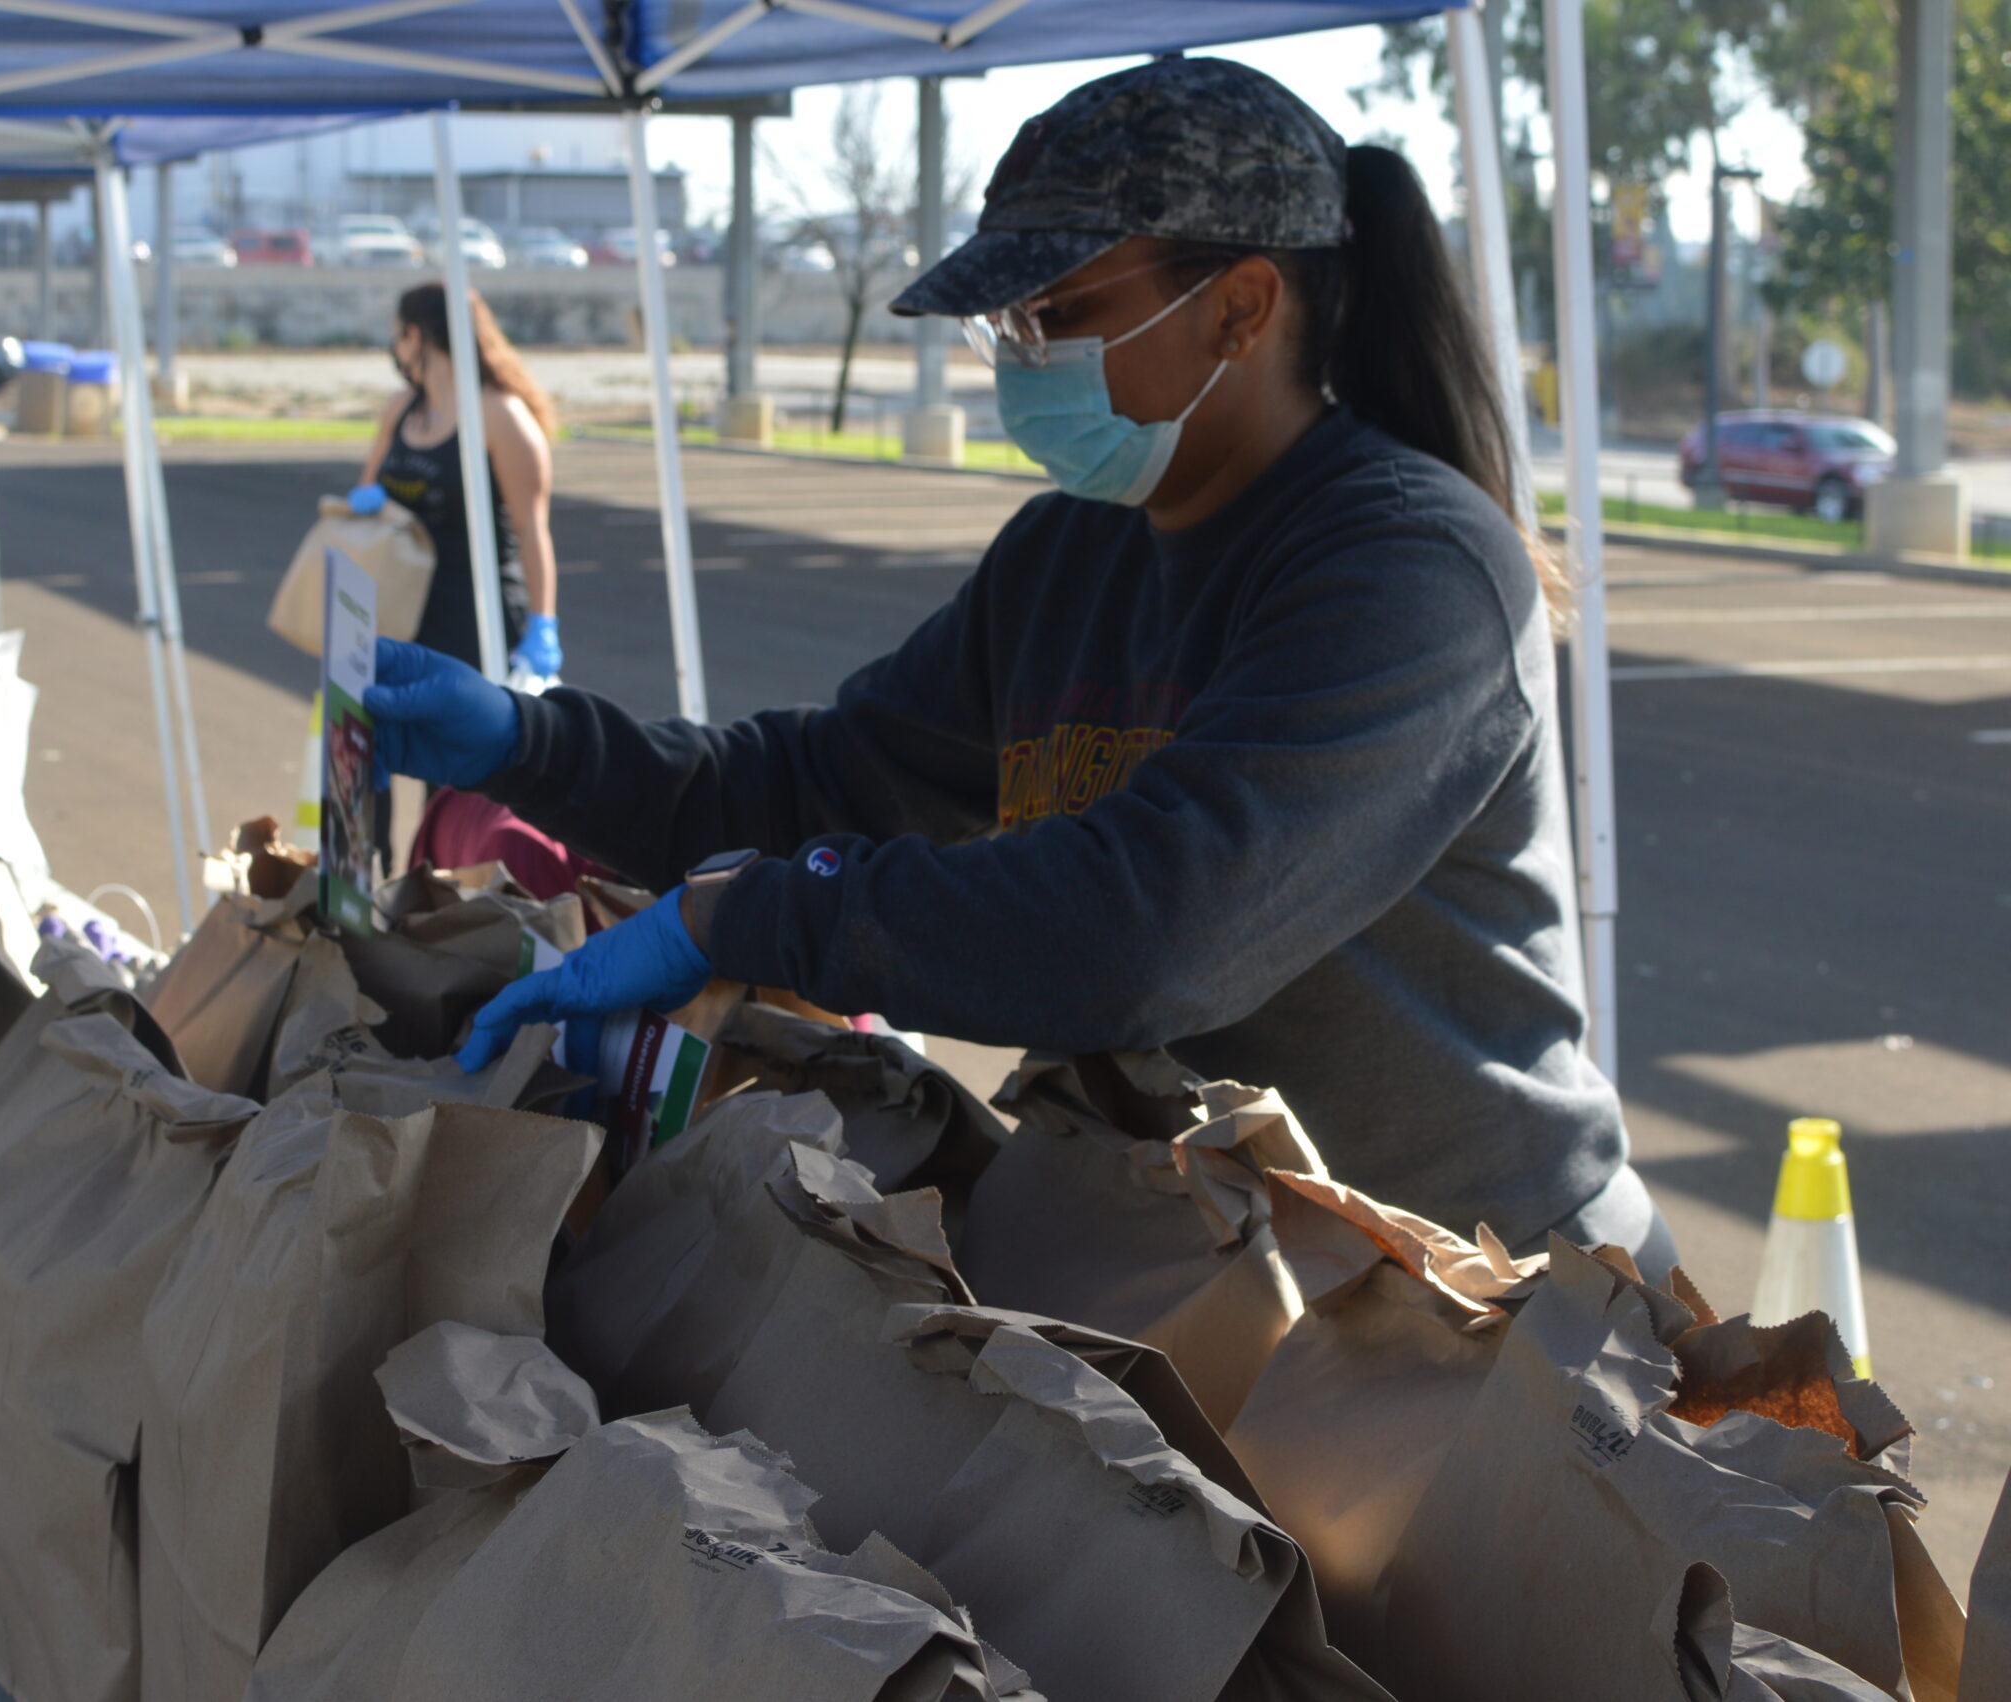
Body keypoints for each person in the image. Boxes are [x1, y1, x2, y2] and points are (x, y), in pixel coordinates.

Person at [362, 58, 1677, 1271]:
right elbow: (828, 778)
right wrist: (530, 745)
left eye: (1060, 311)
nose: (1023, 358)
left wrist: (747, 914)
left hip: (1478, 1292)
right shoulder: (1070, 552)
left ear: (1241, 307)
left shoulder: (1408, 569)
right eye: (1011, 324)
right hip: (1220, 1259)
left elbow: (1152, 925)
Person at [351, 282, 564, 682]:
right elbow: (367, 487)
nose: (395, 348)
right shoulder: (401, 409)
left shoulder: (501, 417)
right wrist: (367, 500)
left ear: (414, 335)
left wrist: (543, 623)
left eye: (397, 334)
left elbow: (532, 530)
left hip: (476, 624)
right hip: (400, 615)